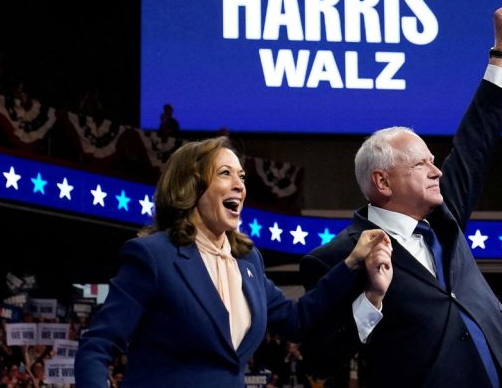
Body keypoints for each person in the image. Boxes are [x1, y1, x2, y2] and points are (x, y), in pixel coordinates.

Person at [298, 3, 502, 387]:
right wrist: (369, 300)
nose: (437, 171)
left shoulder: (442, 216)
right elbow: (319, 359)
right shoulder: (337, 258)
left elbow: (476, 141)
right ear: (383, 183)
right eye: (421, 165)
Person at [74, 136, 393, 387]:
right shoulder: (153, 256)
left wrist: (351, 264)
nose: (240, 185)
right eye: (225, 174)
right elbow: (97, 346)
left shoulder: (247, 260)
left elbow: (297, 320)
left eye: (241, 176)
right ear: (191, 186)